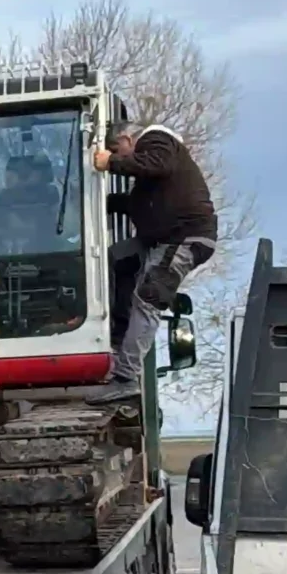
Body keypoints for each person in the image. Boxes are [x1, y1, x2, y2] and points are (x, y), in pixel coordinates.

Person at [90, 120, 218, 395]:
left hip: (183, 238)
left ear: (127, 138)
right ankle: (117, 335)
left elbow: (157, 164)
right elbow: (137, 203)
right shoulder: (153, 176)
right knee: (112, 259)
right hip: (160, 239)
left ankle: (126, 378)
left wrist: (110, 162)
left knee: (148, 298)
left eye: (117, 148)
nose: (120, 155)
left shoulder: (156, 139)